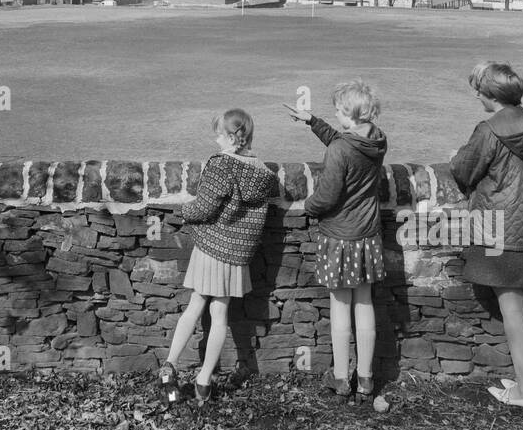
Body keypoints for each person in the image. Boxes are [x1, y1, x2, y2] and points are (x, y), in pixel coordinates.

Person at [449, 61, 523, 411]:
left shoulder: (488, 129)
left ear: (491, 95)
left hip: (500, 228)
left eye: (479, 89)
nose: (476, 94)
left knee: (512, 313)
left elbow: (465, 170)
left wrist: (455, 159)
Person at [161, 109, 277, 406]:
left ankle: (170, 363)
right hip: (237, 254)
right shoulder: (263, 172)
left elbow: (204, 208)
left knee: (196, 305)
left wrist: (184, 211)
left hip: (211, 247)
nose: (215, 139)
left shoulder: (221, 164)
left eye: (218, 134)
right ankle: (203, 383)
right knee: (221, 314)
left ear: (231, 137)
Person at [285, 80, 389, 409]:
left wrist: (308, 206)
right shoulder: (377, 140)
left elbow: (328, 194)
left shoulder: (340, 150)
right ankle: (366, 378)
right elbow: (345, 144)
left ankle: (342, 377)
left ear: (349, 114)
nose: (336, 115)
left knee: (340, 306)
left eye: (338, 111)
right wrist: (313, 122)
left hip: (340, 237)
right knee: (365, 304)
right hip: (368, 235)